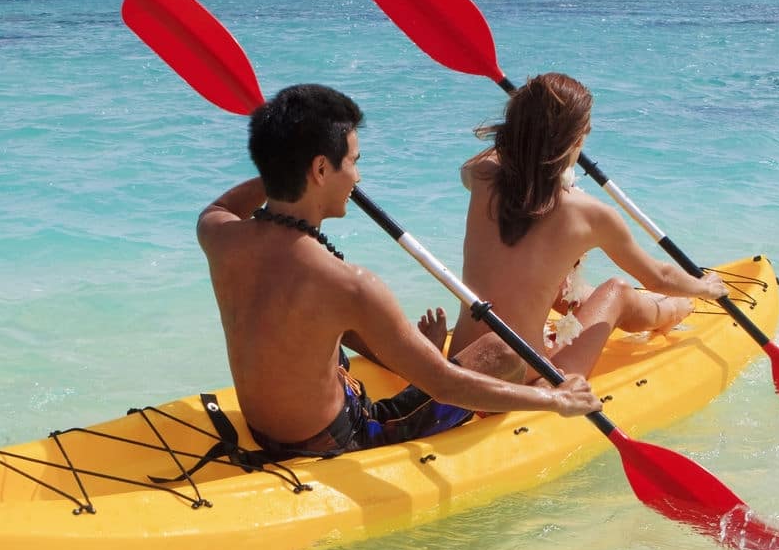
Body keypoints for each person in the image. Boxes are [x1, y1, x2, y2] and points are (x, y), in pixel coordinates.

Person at [197, 83, 600, 459]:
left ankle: (412, 351)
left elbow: (223, 207)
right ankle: (417, 361)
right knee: (503, 350)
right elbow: (444, 385)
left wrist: (284, 162)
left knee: (330, 319)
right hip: (337, 437)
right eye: (353, 162)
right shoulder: (349, 284)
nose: (357, 176)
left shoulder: (218, 233)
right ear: (320, 171)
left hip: (263, 427)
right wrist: (556, 400)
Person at [449, 72, 729, 381]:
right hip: (529, 377)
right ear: (577, 139)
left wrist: (521, 128)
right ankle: (676, 310)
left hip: (460, 363)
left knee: (559, 285)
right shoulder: (592, 215)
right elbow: (659, 276)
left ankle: (665, 309)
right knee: (618, 291)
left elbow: (487, 160)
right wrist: (705, 287)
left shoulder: (482, 175)